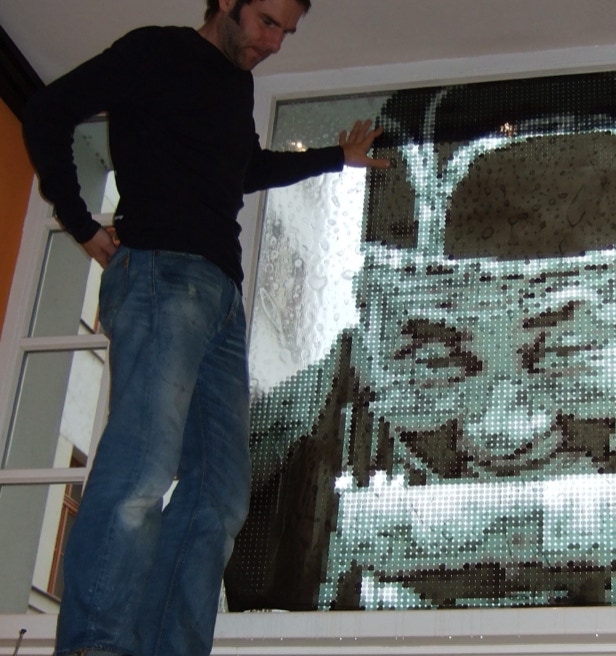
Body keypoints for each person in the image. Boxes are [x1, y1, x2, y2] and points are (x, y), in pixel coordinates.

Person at [21, 0, 389, 654]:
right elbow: (49, 110)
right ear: (227, 2)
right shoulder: (156, 50)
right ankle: (94, 644)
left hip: (220, 299)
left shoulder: (234, 86)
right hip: (161, 275)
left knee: (220, 494)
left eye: (286, 32)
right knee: (141, 471)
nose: (275, 43)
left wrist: (337, 157)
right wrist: (80, 223)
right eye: (267, 22)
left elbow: (244, 169)